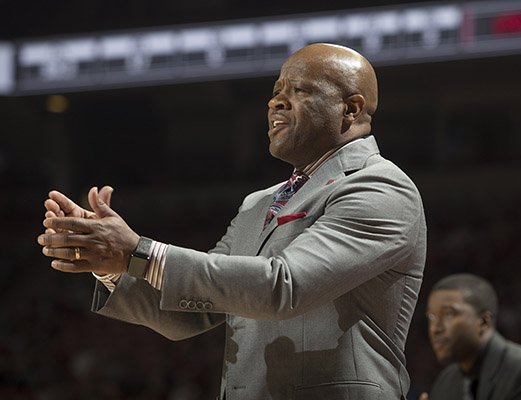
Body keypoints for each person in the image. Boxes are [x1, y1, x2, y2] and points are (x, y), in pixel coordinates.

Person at [37, 43, 427, 400]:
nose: (277, 102)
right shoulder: (259, 203)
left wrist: (140, 251)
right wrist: (115, 267)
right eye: (276, 91)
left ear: (352, 108)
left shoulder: (380, 187)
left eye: (300, 91)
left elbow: (284, 286)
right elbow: (191, 311)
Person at [420, 273, 521, 400]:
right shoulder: (446, 381)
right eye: (431, 317)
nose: (435, 328)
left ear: (483, 322)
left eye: (448, 314)